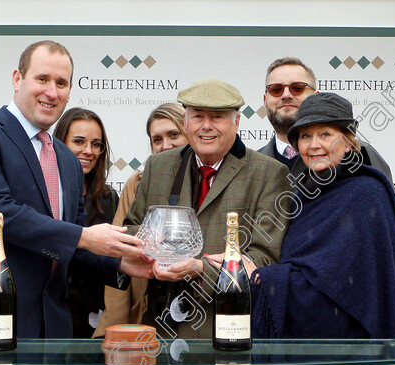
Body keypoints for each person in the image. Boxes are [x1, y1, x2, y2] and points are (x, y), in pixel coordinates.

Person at [0, 41, 153, 339]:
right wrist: (85, 236)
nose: (52, 92)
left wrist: (123, 262)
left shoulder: (67, 160)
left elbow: (69, 245)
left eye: (61, 83)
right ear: (17, 79)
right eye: (42, 79)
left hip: (51, 331)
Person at [213, 92, 395, 340]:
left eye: (325, 134)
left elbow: (342, 291)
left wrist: (257, 276)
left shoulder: (366, 193)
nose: (314, 145)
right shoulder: (302, 196)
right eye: (305, 136)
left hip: (352, 350)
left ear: (348, 141)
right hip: (312, 350)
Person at [123, 79, 292, 340]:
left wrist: (202, 269)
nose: (206, 126)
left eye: (217, 117)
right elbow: (133, 229)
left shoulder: (269, 173)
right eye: (198, 116)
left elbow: (265, 260)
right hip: (160, 331)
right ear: (186, 122)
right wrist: (156, 257)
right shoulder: (158, 166)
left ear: (236, 122)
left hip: (228, 330)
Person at [93, 103, 188, 337]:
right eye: (157, 139)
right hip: (149, 307)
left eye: (174, 135)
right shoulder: (138, 182)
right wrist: (114, 328)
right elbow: (119, 249)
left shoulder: (212, 179)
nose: (166, 145)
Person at [257, 57, 393, 181]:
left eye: (297, 88)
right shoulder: (250, 165)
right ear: (265, 100)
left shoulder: (361, 155)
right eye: (276, 89)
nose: (286, 95)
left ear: (316, 96)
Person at [52, 108, 120, 337]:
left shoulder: (109, 199)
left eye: (96, 144)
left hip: (97, 317)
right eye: (79, 141)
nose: (88, 151)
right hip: (53, 313)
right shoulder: (46, 195)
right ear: (60, 142)